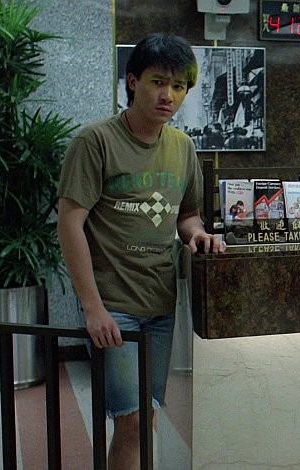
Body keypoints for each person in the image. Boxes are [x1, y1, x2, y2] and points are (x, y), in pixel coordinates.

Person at [57, 33, 226, 470]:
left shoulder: (183, 147)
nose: (168, 95)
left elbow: (187, 215)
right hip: (114, 305)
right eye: (157, 82)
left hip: (160, 305)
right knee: (131, 422)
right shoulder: (95, 142)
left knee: (145, 419)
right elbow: (69, 223)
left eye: (178, 86)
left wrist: (196, 235)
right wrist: (93, 309)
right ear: (132, 81)